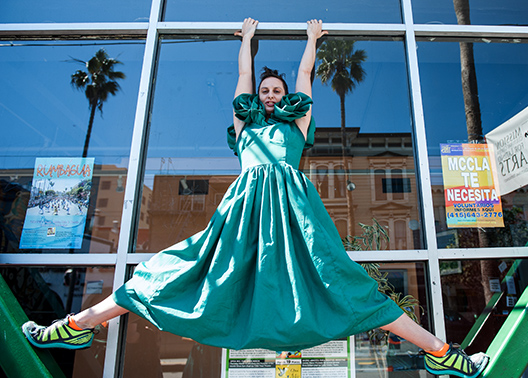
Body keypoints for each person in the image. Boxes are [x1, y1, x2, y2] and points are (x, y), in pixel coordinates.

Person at [22, 18, 488, 378]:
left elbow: (307, 73)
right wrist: (246, 40)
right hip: (244, 215)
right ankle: (77, 325)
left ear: (285, 96)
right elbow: (243, 77)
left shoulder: (296, 126)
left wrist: (313, 39)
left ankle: (442, 354)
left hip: (296, 215)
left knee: (346, 283)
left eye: (275, 90)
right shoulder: (244, 125)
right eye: (264, 90)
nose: (268, 95)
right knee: (175, 270)